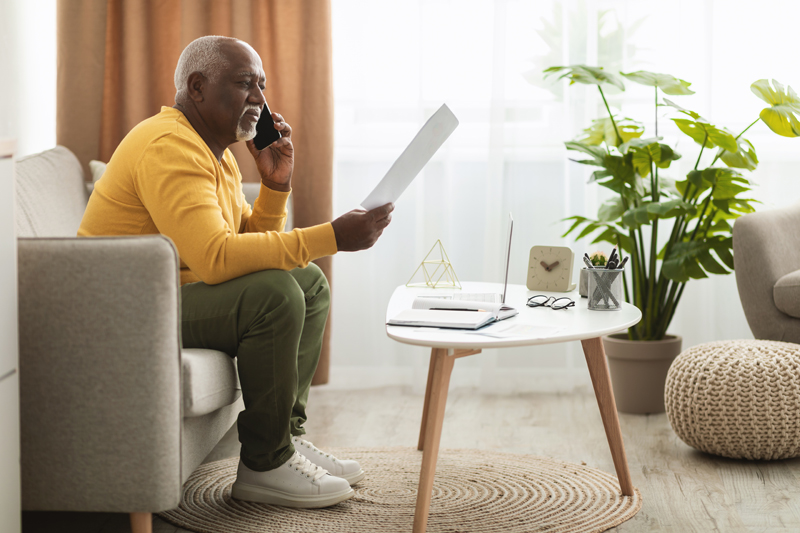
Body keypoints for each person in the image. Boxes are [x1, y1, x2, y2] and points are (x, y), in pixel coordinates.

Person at [78, 35, 394, 508]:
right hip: (122, 309)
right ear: (198, 87)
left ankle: (283, 437)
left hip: (164, 293)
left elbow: (245, 245)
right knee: (273, 294)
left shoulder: (216, 153)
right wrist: (332, 236)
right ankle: (264, 465)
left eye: (262, 86)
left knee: (307, 282)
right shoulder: (170, 145)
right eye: (246, 84)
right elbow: (217, 258)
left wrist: (274, 186)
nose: (260, 101)